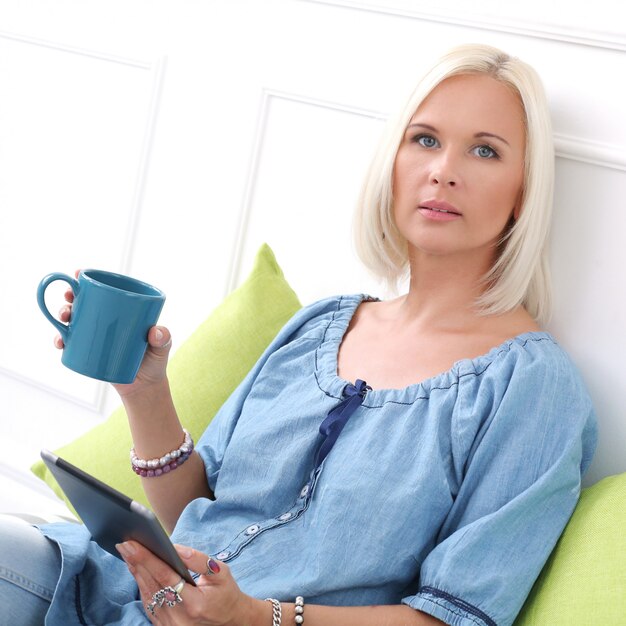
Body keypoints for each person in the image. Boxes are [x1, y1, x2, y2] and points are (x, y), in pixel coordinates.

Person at [0, 43, 597, 626]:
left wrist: (259, 616)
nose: (443, 171)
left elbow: (457, 615)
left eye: (485, 152)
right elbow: (193, 514)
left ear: (524, 191)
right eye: (425, 140)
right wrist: (143, 390)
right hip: (109, 592)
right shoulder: (319, 325)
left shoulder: (532, 388)